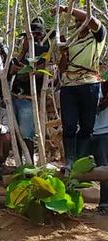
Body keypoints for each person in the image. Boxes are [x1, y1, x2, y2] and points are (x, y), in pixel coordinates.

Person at [57, 5, 106, 168]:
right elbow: (62, 68)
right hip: (69, 85)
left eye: (82, 21)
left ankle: (80, 161)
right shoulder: (72, 40)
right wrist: (63, 52)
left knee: (87, 126)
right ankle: (70, 161)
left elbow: (92, 20)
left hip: (90, 84)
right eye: (77, 22)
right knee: (69, 125)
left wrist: (66, 8)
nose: (79, 24)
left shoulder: (98, 36)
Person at [9, 18, 51, 162]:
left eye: (32, 36)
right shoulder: (24, 54)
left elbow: (34, 73)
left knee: (26, 133)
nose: (28, 40)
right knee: (15, 133)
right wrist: (23, 52)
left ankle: (30, 163)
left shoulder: (44, 54)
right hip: (13, 97)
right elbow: (12, 69)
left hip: (28, 99)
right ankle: (20, 163)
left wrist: (20, 70)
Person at [91, 81, 108, 214]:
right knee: (103, 168)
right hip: (94, 132)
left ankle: (104, 203)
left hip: (102, 132)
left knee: (104, 167)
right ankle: (104, 203)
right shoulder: (93, 87)